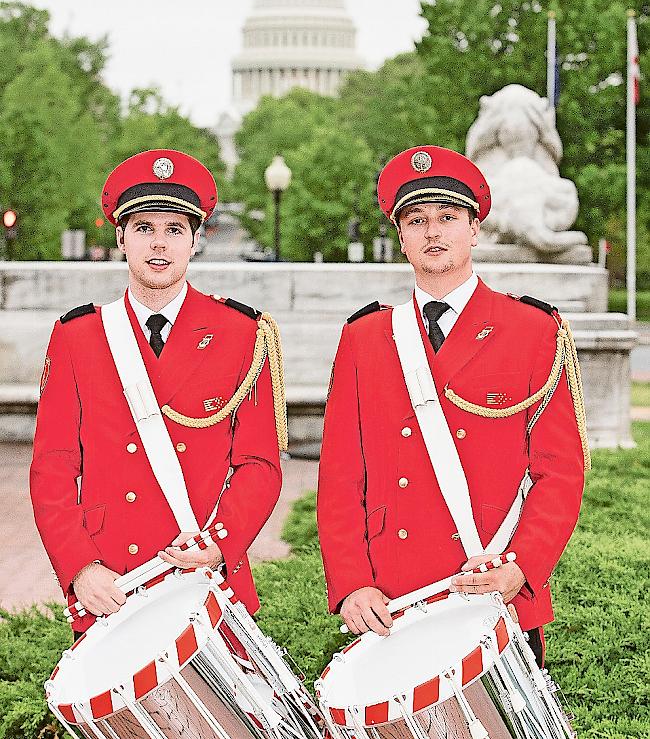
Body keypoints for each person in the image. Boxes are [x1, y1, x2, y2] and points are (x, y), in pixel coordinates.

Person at [317, 145, 588, 667]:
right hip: (395, 602)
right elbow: (341, 475)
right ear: (401, 236)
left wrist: (524, 567)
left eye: (447, 217)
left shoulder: (533, 330)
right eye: (416, 220)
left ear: (474, 229)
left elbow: (560, 472)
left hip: (494, 589)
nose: (432, 232)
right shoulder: (364, 337)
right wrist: (352, 584)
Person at [31, 149, 285, 636]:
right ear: (121, 237)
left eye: (174, 230)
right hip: (112, 583)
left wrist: (220, 542)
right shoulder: (78, 336)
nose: (159, 245)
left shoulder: (242, 333)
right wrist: (80, 567)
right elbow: (53, 468)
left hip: (205, 576)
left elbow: (259, 464)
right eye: (144, 228)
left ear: (195, 242)